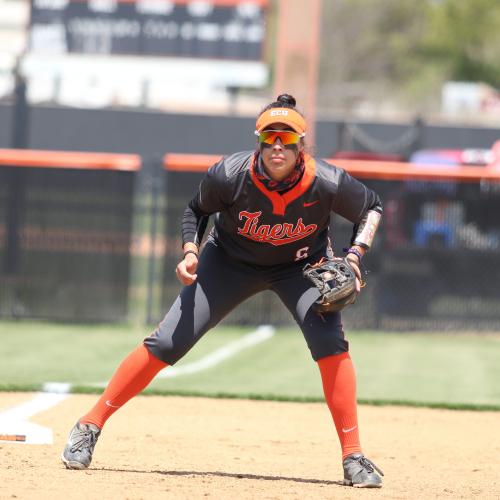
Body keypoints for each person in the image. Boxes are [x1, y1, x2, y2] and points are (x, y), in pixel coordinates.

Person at [61, 94, 384, 488]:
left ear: (301, 143)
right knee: (167, 343)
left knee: (330, 344)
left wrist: (354, 255)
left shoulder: (327, 181)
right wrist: (190, 250)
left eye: (286, 137)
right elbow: (196, 211)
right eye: (269, 137)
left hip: (301, 267)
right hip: (229, 263)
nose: (277, 145)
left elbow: (372, 207)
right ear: (259, 141)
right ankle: (89, 425)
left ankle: (353, 456)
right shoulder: (229, 175)